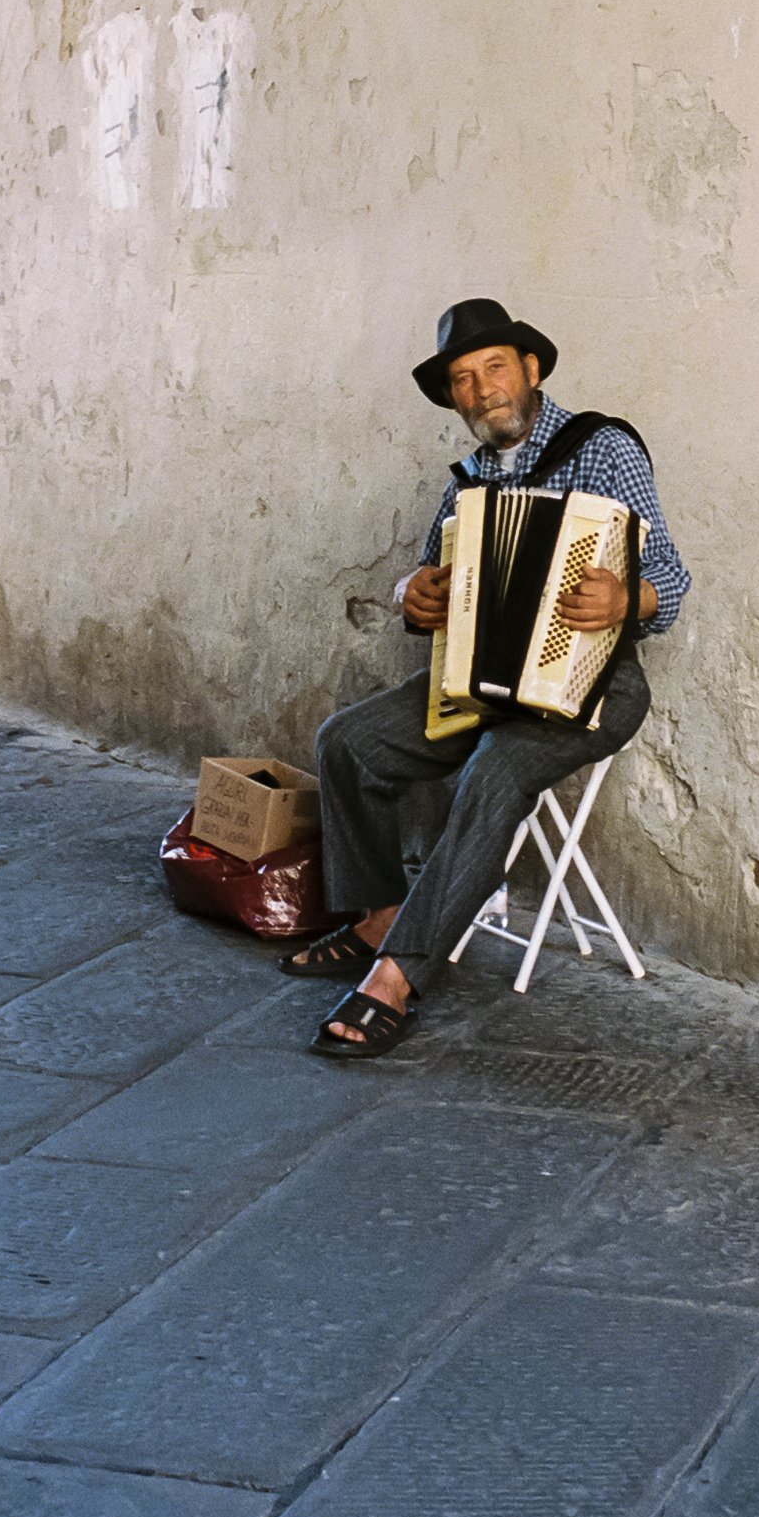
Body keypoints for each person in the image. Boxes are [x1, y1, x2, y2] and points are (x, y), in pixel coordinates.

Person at [295, 297, 689, 1058]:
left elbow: (670, 577)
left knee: (495, 767)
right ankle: (382, 913)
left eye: (495, 369)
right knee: (346, 741)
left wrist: (625, 596)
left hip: (595, 683)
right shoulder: (469, 477)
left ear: (530, 369)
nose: (481, 392)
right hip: (479, 681)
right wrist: (418, 594)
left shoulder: (603, 448)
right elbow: (432, 579)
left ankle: (395, 980)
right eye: (463, 381)